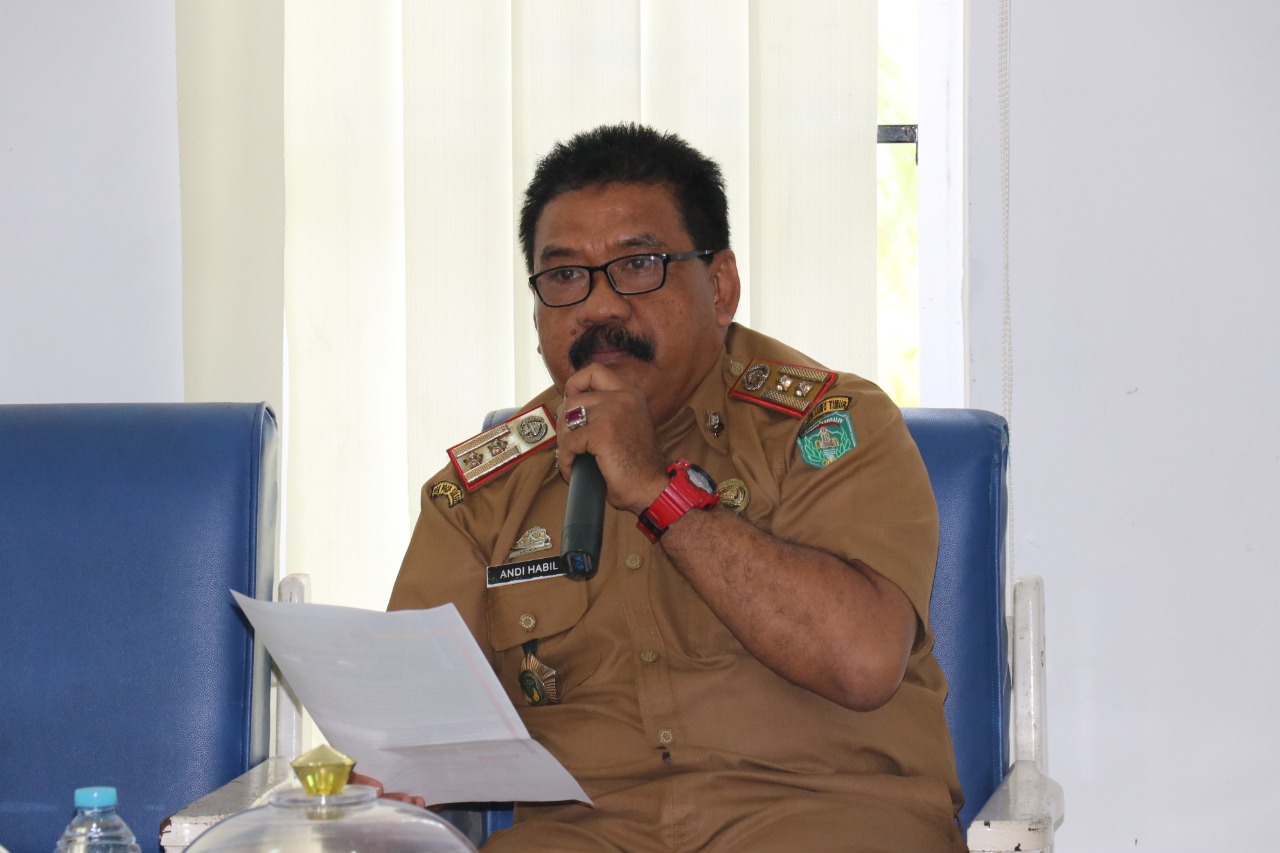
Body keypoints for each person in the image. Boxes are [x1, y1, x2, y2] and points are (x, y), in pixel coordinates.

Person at [387, 123, 965, 852]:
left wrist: (657, 491)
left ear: (719, 287)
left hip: (822, 818)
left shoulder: (828, 427)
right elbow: (407, 729)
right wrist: (390, 771)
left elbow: (862, 661)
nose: (599, 306)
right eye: (563, 277)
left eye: (638, 265)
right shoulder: (484, 492)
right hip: (585, 836)